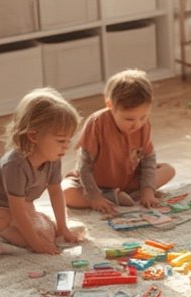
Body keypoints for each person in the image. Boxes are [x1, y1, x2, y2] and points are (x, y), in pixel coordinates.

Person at [0, 87, 82, 259]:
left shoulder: (53, 157)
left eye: (68, 140)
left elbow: (56, 192)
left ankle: (17, 236)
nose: (66, 146)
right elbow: (17, 210)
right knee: (31, 239)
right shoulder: (15, 165)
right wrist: (36, 244)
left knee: (49, 231)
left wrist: (63, 227)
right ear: (34, 136)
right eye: (61, 140)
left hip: (22, 204)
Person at [63, 69, 174, 214]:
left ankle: (131, 194)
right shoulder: (97, 123)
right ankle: (113, 197)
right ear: (110, 105)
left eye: (143, 117)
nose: (137, 124)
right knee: (66, 193)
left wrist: (147, 190)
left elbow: (148, 160)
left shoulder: (143, 125)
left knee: (169, 170)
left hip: (127, 181)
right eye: (129, 119)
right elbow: (84, 165)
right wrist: (94, 196)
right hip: (95, 183)